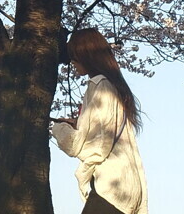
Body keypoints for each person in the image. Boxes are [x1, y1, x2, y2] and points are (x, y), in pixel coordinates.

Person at [51, 28, 148, 214]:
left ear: (86, 56)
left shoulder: (99, 85)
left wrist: (59, 128)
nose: (72, 62)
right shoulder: (114, 88)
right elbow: (103, 130)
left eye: (75, 56)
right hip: (128, 186)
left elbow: (86, 146)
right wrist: (79, 124)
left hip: (113, 188)